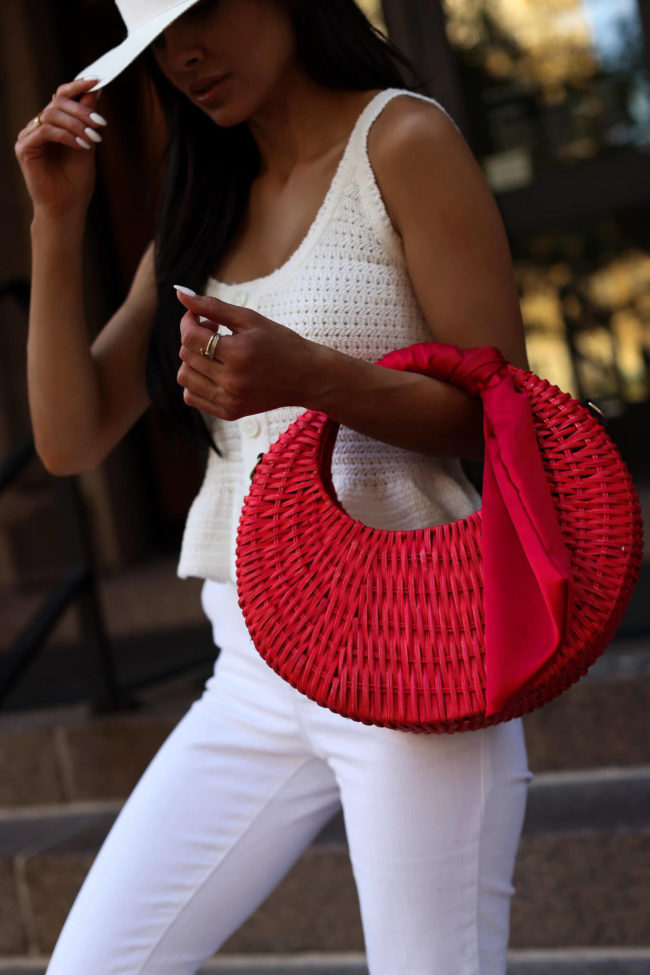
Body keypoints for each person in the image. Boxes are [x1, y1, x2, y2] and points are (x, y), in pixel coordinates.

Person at [15, 1, 533, 972]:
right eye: (161, 37)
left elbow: (495, 409)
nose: (185, 52)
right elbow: (70, 439)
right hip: (252, 667)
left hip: (411, 649)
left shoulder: (402, 139)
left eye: (204, 11)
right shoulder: (198, 205)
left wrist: (311, 379)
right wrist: (56, 221)